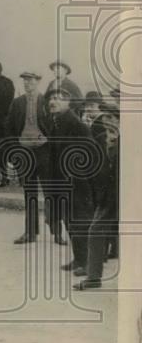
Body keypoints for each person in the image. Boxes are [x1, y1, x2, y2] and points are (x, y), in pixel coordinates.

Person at [42, 87, 91, 272]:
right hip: (61, 182)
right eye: (51, 98)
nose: (53, 102)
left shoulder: (77, 126)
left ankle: (86, 263)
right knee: (69, 221)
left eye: (58, 98)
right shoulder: (56, 123)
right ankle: (79, 259)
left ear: (68, 102)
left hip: (77, 184)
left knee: (79, 221)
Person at [5, 72, 53, 244]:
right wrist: (14, 152)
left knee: (51, 192)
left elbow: (54, 126)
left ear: (38, 81)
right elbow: (9, 128)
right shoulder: (17, 103)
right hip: (24, 152)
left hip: (44, 151)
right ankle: (30, 233)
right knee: (29, 193)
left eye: (31, 80)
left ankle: (57, 232)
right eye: (25, 80)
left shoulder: (46, 102)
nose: (27, 83)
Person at [76, 105, 119, 290]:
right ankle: (93, 277)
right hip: (107, 197)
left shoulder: (132, 140)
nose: (107, 121)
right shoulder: (100, 140)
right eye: (106, 117)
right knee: (95, 230)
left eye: (112, 117)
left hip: (128, 196)